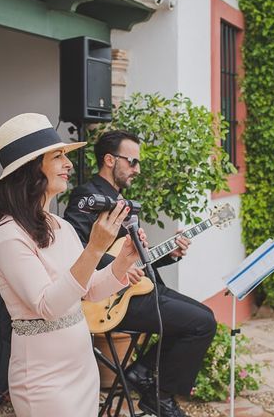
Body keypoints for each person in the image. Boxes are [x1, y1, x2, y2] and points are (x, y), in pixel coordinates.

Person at [0, 114, 144, 417]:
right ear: (30, 169)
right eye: (58, 156)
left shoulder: (60, 225)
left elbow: (89, 290)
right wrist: (96, 247)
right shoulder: (8, 236)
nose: (69, 164)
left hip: (82, 368)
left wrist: (124, 261)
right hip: (43, 379)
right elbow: (48, 305)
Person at [64, 130, 217, 417]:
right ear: (110, 160)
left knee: (204, 318)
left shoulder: (120, 200)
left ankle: (143, 375)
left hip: (139, 290)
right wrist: (113, 269)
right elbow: (75, 250)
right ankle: (157, 393)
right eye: (132, 162)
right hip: (111, 299)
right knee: (201, 323)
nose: (138, 169)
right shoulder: (88, 196)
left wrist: (169, 254)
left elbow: (132, 259)